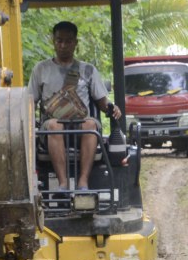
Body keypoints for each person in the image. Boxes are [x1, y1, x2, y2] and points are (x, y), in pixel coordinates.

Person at [28, 21, 121, 190]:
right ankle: (63, 183)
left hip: (80, 126)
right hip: (52, 128)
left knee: (91, 124)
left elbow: (102, 103)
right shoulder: (41, 69)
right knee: (55, 125)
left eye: (68, 41)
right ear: (53, 41)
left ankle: (83, 182)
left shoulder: (88, 70)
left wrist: (113, 108)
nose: (63, 45)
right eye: (59, 40)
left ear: (75, 43)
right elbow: (30, 103)